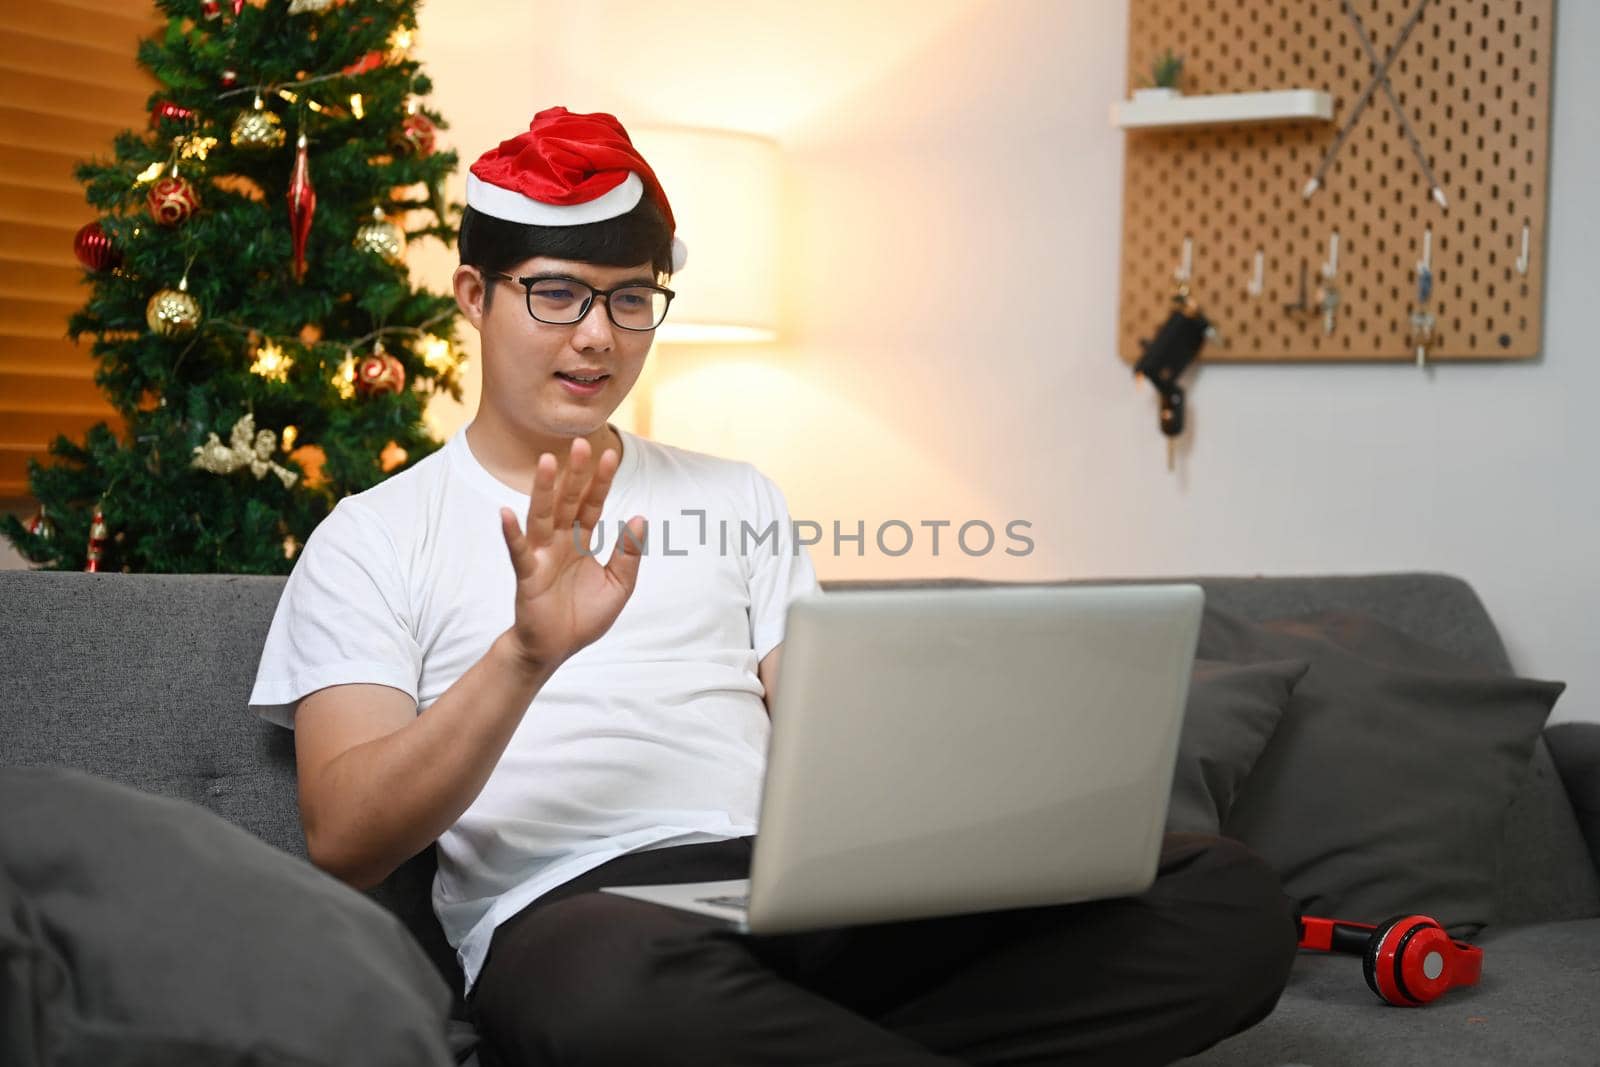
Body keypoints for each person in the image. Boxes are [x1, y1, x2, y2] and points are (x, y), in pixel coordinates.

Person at [248, 106, 1298, 1067]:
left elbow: (831, 728)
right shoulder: (371, 535)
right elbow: (345, 837)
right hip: (584, 916)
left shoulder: (737, 494)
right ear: (475, 295)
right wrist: (524, 655)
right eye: (556, 292)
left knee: (1231, 900)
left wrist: (980, 805)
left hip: (796, 896)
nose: (598, 335)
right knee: (614, 996)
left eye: (629, 299)